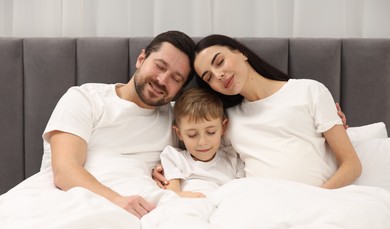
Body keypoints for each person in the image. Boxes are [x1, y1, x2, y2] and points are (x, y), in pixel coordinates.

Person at [153, 34, 361, 190]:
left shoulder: (308, 91)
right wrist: (162, 170)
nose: (219, 74)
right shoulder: (227, 120)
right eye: (209, 77)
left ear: (240, 52)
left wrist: (315, 199)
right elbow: (190, 129)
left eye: (220, 62)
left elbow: (351, 165)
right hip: (260, 205)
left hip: (317, 200)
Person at [44, 31, 195, 218]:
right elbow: (65, 170)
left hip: (144, 211)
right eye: (159, 66)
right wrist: (117, 201)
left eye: (176, 78)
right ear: (141, 59)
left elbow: (215, 151)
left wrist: (171, 171)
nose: (162, 80)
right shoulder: (86, 99)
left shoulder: (179, 123)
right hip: (74, 203)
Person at [160, 87, 245, 198]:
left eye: (211, 132)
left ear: (223, 127)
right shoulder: (174, 158)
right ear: (179, 133)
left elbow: (241, 195)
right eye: (192, 135)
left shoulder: (233, 159)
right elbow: (171, 195)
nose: (202, 142)